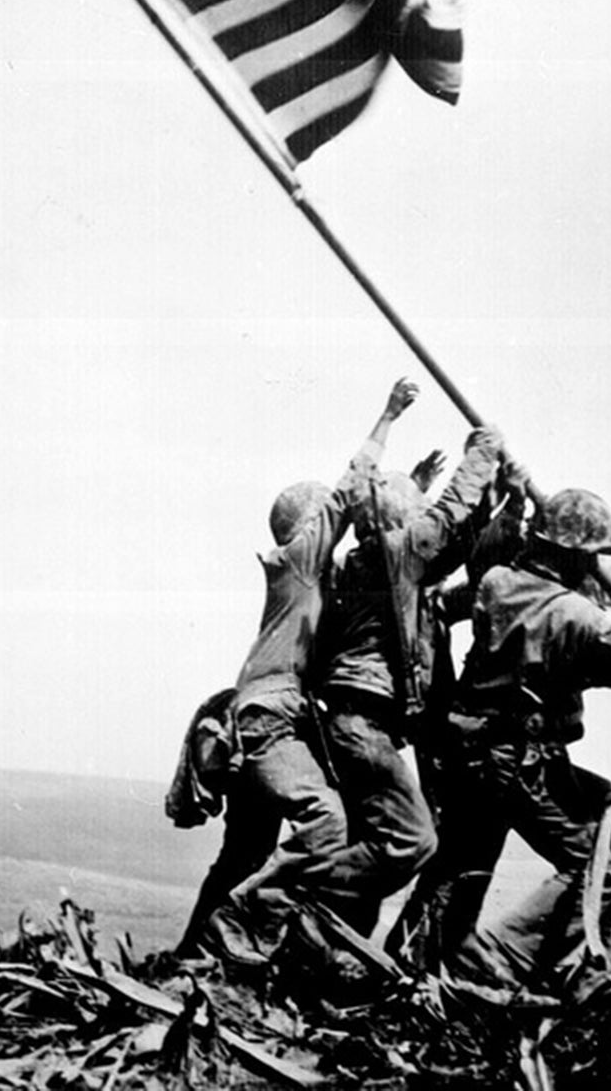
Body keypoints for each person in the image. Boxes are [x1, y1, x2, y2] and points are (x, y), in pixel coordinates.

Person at [409, 487, 611, 990]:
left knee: (471, 860)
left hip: (469, 749)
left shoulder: (498, 583)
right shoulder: (579, 617)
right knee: (598, 865)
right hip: (517, 760)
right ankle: (502, 962)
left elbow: (453, 602)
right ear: (575, 555)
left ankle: (425, 961)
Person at [173, 379, 417, 960]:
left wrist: (417, 489)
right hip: (270, 719)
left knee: (246, 853)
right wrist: (387, 418)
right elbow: (347, 491)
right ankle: (240, 928)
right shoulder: (300, 563)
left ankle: (192, 953)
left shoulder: (309, 578)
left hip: (266, 719)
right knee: (327, 822)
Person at [310, 419, 506, 937]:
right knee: (413, 841)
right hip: (364, 728)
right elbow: (445, 523)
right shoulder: (394, 556)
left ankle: (329, 956)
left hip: (360, 728)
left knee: (373, 846)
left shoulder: (377, 569)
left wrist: (503, 504)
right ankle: (291, 893)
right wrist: (481, 455)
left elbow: (462, 548)